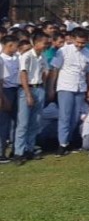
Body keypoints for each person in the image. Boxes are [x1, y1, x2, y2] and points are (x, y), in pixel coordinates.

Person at [51, 28, 89, 157]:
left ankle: (69, 141)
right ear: (72, 39)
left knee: (74, 117)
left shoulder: (88, 53)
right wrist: (51, 87)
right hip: (65, 86)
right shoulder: (63, 51)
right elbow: (55, 70)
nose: (80, 45)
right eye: (78, 42)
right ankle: (62, 144)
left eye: (83, 43)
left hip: (80, 87)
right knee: (64, 116)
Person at [14, 32, 49, 165]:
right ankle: (19, 152)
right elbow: (23, 74)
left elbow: (46, 71)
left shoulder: (43, 56)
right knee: (23, 122)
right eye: (44, 43)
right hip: (26, 89)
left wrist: (42, 87)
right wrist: (28, 94)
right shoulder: (26, 56)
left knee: (36, 121)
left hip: (39, 88)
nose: (46, 45)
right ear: (36, 42)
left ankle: (29, 148)